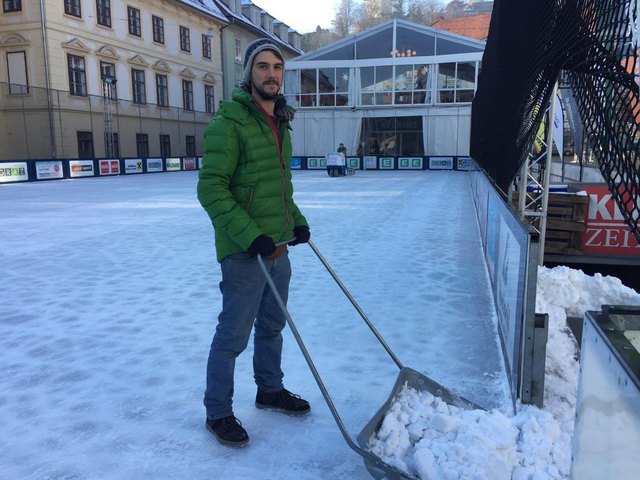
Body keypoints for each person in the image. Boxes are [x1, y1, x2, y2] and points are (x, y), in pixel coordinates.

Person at [197, 38, 311, 448]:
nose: (271, 74)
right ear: (249, 73)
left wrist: (296, 222)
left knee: (273, 327)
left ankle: (270, 389)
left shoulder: (280, 121)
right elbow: (211, 189)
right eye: (262, 66)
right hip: (245, 253)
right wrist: (251, 236)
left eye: (277, 67)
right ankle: (218, 412)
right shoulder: (229, 123)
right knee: (232, 336)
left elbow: (280, 188)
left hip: (277, 248)